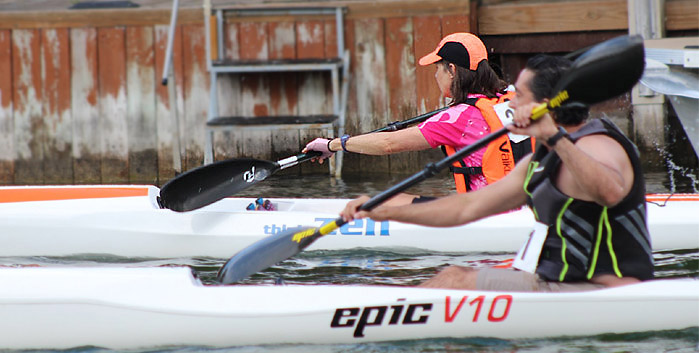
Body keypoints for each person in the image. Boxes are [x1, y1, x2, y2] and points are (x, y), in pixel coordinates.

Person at [340, 54, 654, 292]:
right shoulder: (541, 157)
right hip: (554, 281)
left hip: (607, 291)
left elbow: (610, 191)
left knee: (454, 281)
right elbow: (467, 208)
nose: (510, 100)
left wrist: (554, 137)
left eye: (519, 95)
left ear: (544, 106)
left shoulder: (598, 142)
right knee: (454, 274)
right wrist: (386, 212)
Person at [303, 33, 534, 204]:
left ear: (452, 70)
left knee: (386, 201)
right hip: (526, 205)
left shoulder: (456, 118)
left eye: (438, 69)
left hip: (485, 212)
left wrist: (334, 144)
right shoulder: (514, 99)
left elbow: (388, 144)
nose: (436, 76)